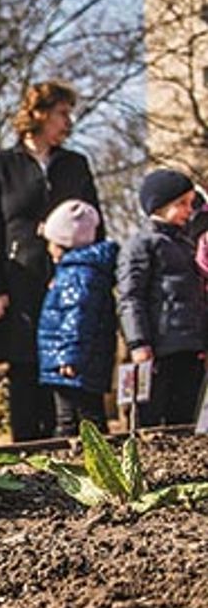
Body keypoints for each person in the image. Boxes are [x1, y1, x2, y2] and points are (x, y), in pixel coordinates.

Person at [0, 81, 101, 440]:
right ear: (39, 113)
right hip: (19, 282)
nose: (68, 121)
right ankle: (28, 455)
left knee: (67, 366)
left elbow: (95, 222)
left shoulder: (76, 164)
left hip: (69, 283)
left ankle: (74, 450)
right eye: (62, 113)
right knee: (26, 368)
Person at [117, 169, 208, 427]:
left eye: (191, 203)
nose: (188, 210)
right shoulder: (141, 245)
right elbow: (131, 298)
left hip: (190, 345)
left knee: (185, 416)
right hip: (158, 348)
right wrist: (139, 342)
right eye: (181, 204)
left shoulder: (186, 245)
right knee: (152, 416)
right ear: (158, 206)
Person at [35, 200, 117, 435]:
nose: (48, 249)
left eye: (51, 243)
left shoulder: (77, 275)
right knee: (84, 416)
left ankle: (79, 463)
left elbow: (77, 318)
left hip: (71, 365)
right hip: (77, 360)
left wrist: (69, 356)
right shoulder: (79, 272)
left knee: (73, 419)